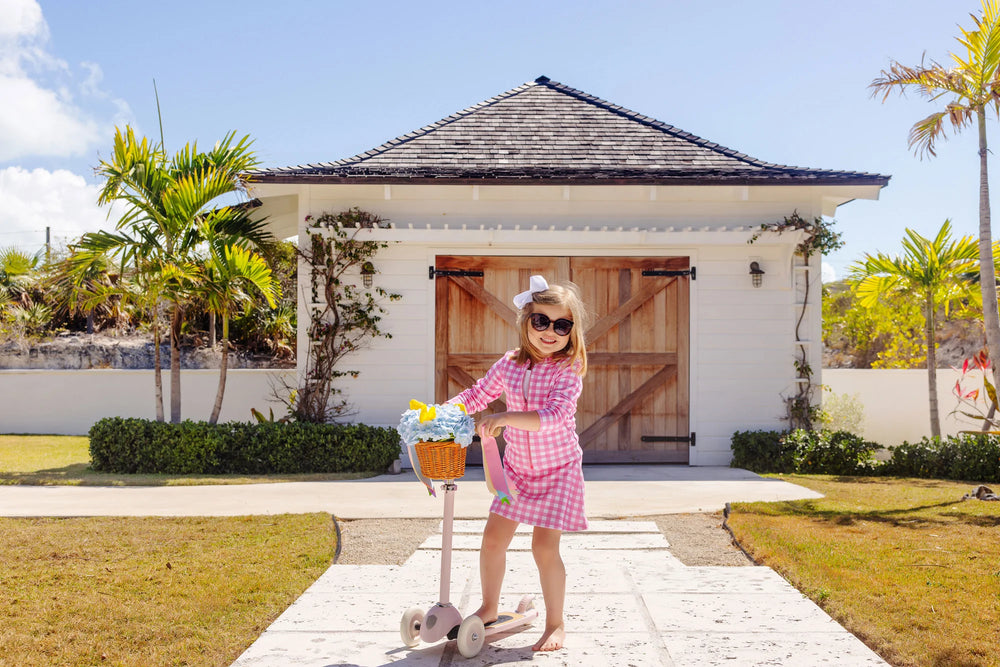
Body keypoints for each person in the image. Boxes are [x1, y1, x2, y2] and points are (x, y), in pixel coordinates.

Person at [447, 274, 589, 652]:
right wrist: (443, 412)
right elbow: (479, 393)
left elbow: (556, 415)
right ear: (525, 320)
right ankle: (490, 607)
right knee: (492, 540)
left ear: (571, 332)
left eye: (562, 325)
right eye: (541, 321)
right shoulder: (509, 364)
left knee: (544, 549)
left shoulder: (567, 369)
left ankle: (556, 623)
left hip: (559, 471)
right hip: (518, 472)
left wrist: (507, 417)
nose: (550, 332)